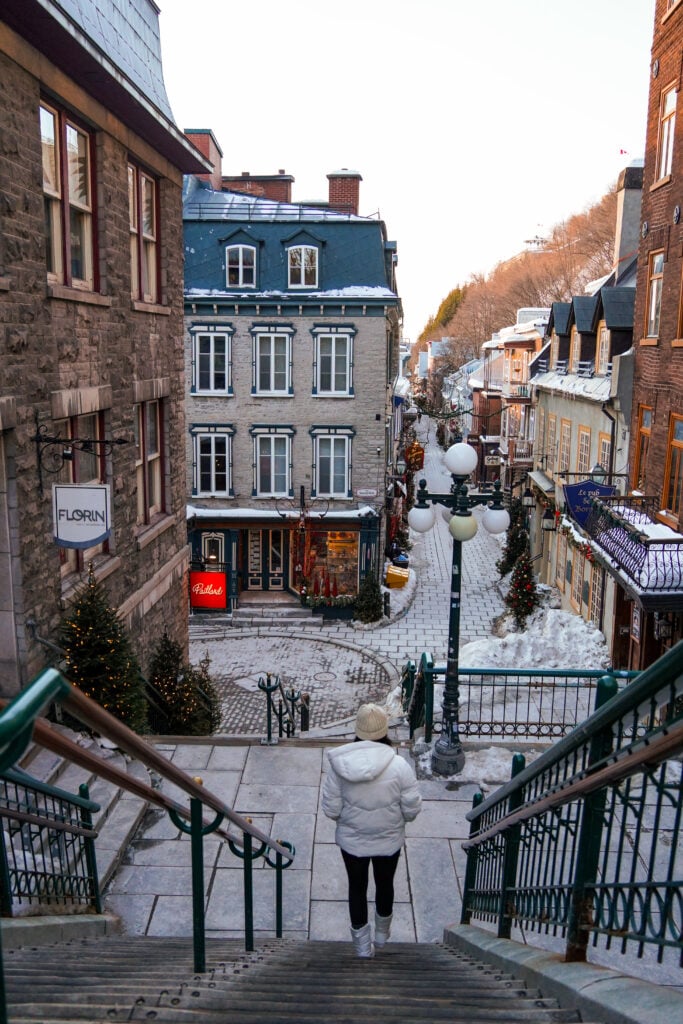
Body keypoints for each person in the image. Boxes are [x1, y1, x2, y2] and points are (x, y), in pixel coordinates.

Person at [322, 703, 422, 958]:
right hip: (388, 842)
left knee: (357, 888)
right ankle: (381, 937)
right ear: (385, 731)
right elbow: (411, 810)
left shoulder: (339, 766)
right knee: (385, 884)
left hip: (352, 843)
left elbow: (331, 810)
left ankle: (362, 948)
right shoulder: (399, 766)